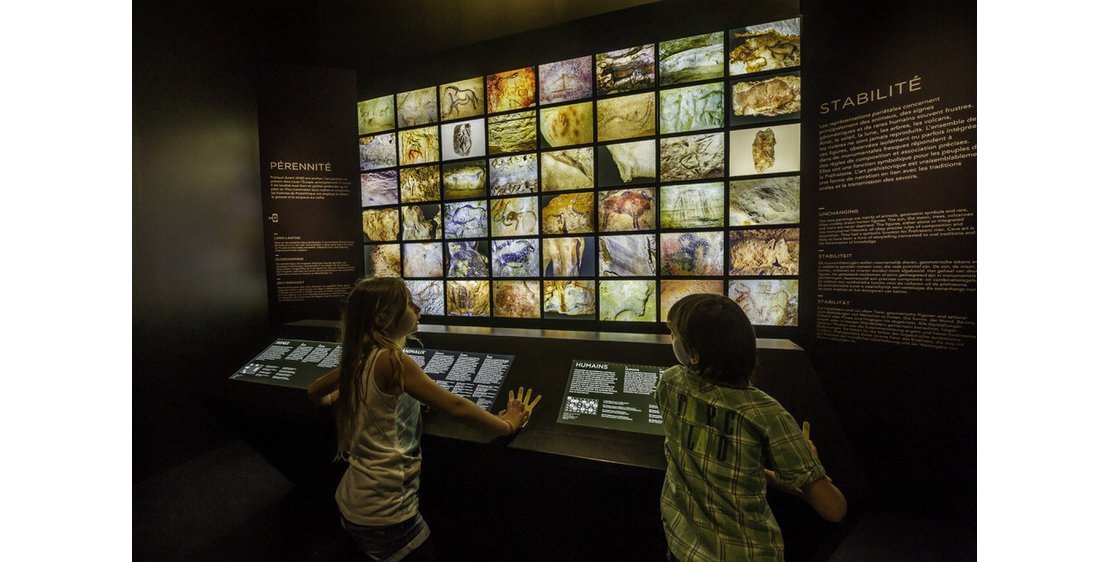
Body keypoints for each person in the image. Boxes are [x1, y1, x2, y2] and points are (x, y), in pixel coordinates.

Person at [307, 277, 540, 562]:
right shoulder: (393, 360)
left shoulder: (360, 357)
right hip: (387, 512)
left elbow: (315, 390)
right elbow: (456, 407)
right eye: (407, 302)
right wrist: (507, 424)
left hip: (352, 498)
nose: (417, 307)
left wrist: (335, 399)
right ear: (384, 317)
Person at [656, 294, 846, 562]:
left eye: (673, 333)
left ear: (694, 354)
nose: (671, 338)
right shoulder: (766, 413)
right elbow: (835, 508)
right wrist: (808, 462)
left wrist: (760, 473)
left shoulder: (671, 384)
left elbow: (712, 463)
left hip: (683, 547)